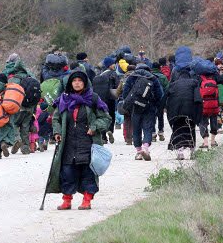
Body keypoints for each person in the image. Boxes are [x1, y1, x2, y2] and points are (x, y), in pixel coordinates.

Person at [47, 69, 112, 211]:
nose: (77, 83)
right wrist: (57, 131)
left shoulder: (93, 99)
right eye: (74, 81)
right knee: (67, 172)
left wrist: (95, 127)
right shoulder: (64, 99)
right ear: (70, 83)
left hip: (88, 142)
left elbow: (106, 118)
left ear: (85, 83)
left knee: (88, 172)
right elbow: (56, 118)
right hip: (68, 142)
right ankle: (67, 200)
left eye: (80, 81)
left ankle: (87, 200)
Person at [165, 46, 202, 160]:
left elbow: (169, 88)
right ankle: (192, 151)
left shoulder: (175, 69)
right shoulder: (193, 69)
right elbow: (197, 94)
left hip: (176, 107)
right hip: (190, 106)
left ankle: (180, 152)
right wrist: (199, 112)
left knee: (178, 128)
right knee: (191, 128)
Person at [121, 63, 164, 160]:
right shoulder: (153, 78)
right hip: (149, 107)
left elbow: (125, 94)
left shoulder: (131, 77)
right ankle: (145, 147)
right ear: (148, 69)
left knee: (136, 129)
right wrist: (156, 106)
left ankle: (139, 152)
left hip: (135, 108)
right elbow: (159, 94)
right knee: (148, 128)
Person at [93, 56, 119, 144]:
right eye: (113, 64)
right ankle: (110, 130)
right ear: (109, 65)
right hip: (111, 98)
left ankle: (103, 136)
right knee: (111, 115)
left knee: (103, 116)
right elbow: (117, 85)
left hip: (101, 99)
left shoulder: (100, 74)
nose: (114, 65)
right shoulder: (113, 74)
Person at [151, 61, 170, 142]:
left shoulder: (150, 76)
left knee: (152, 116)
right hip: (160, 99)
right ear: (159, 68)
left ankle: (153, 134)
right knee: (160, 116)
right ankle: (161, 132)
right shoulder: (163, 77)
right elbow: (167, 89)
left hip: (151, 99)